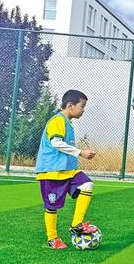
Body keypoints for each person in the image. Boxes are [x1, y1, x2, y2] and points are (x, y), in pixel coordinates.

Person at [34, 89, 98, 249]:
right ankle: (52, 239)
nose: (83, 110)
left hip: (69, 171)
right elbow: (56, 143)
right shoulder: (57, 120)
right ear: (70, 105)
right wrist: (81, 152)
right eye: (82, 106)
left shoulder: (68, 123)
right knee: (51, 207)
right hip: (52, 172)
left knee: (87, 184)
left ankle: (76, 224)